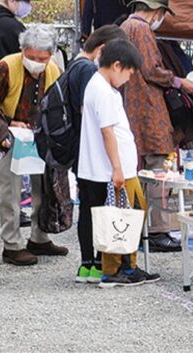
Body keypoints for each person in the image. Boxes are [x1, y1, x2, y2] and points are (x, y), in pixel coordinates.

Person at [120, 0, 193, 253]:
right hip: (147, 109)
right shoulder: (141, 29)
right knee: (158, 169)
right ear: (157, 11)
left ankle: (142, 227)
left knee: (141, 171)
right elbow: (151, 69)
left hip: (132, 107)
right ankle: (157, 230)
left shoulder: (125, 26)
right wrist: (179, 81)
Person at [77, 39, 160, 288]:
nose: (128, 79)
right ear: (117, 65)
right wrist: (117, 168)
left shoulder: (97, 86)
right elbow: (107, 132)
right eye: (129, 73)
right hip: (115, 168)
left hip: (108, 167)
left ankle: (122, 266)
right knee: (128, 214)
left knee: (123, 214)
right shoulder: (103, 91)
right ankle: (122, 268)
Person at [0, 25, 68, 266]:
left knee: (43, 187)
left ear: (51, 56)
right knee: (9, 190)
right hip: (8, 134)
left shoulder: (53, 69)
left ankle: (39, 237)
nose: (36, 63)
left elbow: (56, 104)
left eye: (42, 59)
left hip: (38, 134)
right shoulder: (7, 66)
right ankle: (12, 245)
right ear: (22, 50)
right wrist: (8, 121)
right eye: (31, 57)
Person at [65, 25, 129, 283]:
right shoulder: (89, 72)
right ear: (104, 50)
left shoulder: (73, 64)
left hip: (80, 150)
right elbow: (98, 119)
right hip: (91, 151)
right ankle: (95, 262)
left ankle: (87, 264)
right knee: (97, 207)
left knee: (88, 207)